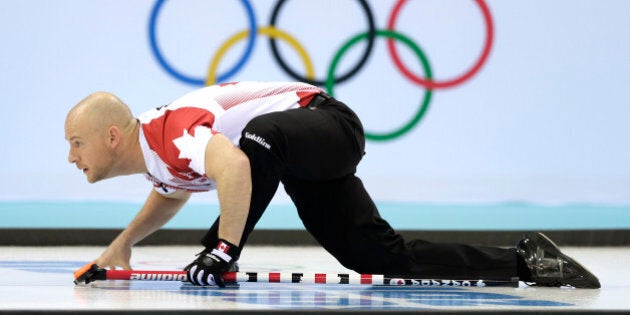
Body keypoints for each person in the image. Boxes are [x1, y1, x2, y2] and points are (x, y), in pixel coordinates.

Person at [65, 81, 600, 288]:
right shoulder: (157, 159)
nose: (71, 157)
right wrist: (121, 246)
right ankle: (528, 261)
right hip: (296, 157)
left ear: (112, 136)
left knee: (254, 143)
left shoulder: (170, 132)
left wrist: (223, 249)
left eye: (77, 143)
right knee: (373, 254)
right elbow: (167, 194)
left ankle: (222, 248)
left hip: (327, 124)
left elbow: (231, 167)